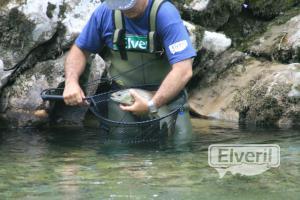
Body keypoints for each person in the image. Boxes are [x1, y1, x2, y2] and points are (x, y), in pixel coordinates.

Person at [63, 0, 196, 135]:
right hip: (122, 99)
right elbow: (80, 50)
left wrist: (152, 104)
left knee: (181, 148)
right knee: (122, 153)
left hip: (169, 99)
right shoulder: (104, 12)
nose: (125, 10)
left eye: (129, 4)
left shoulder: (165, 14)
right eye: (119, 5)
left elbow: (183, 70)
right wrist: (71, 82)